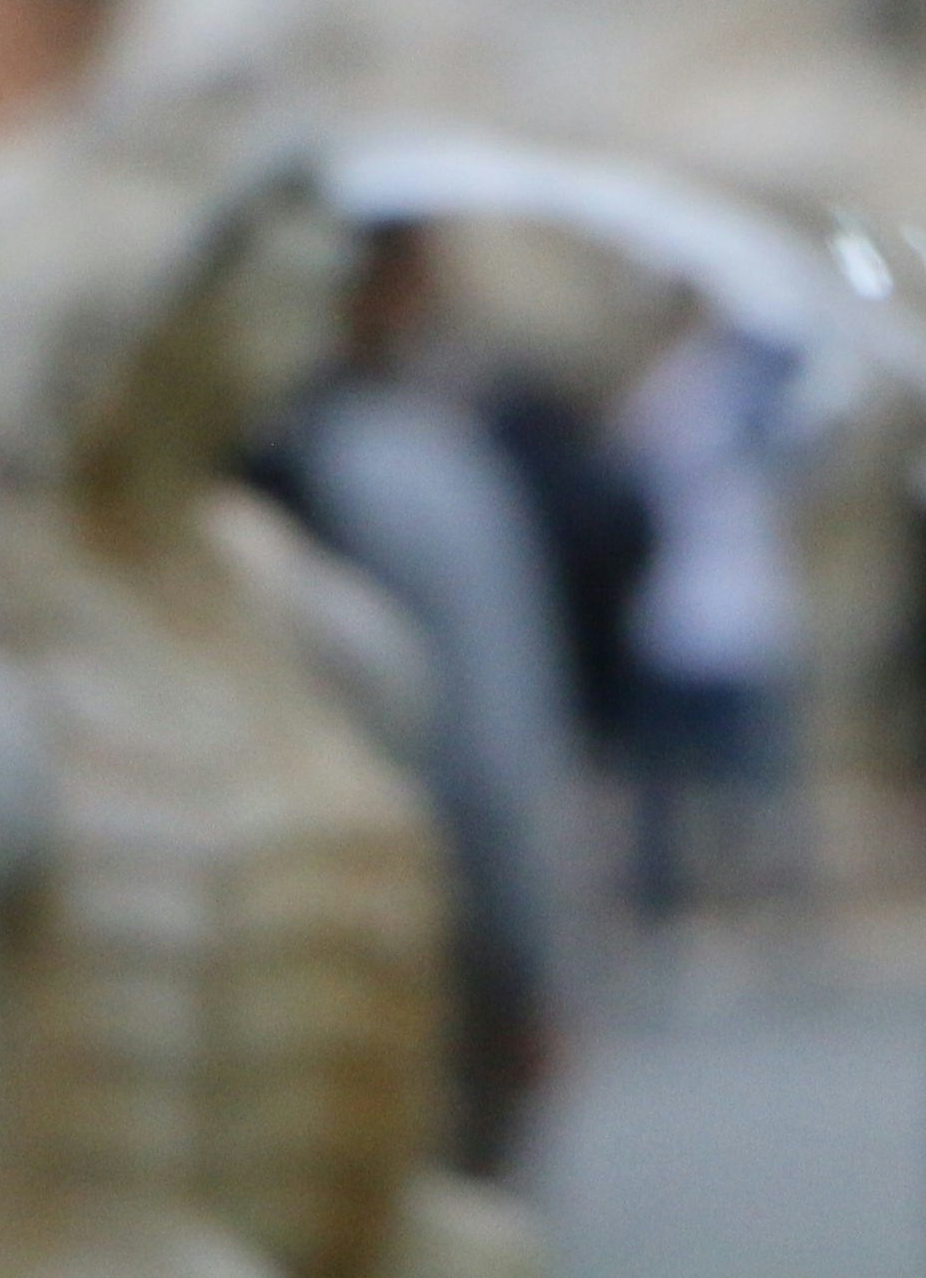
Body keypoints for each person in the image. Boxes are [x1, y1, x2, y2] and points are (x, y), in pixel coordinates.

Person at [279, 223, 587, 1176]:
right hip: (421, 928)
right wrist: (530, 965)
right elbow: (496, 751)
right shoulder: (424, 471)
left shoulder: (253, 467)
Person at [610, 313, 819, 920]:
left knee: (744, 782)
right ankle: (685, 901)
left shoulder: (755, 396)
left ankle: (752, 898)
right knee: (682, 787)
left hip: (735, 614)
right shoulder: (689, 388)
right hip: (687, 612)